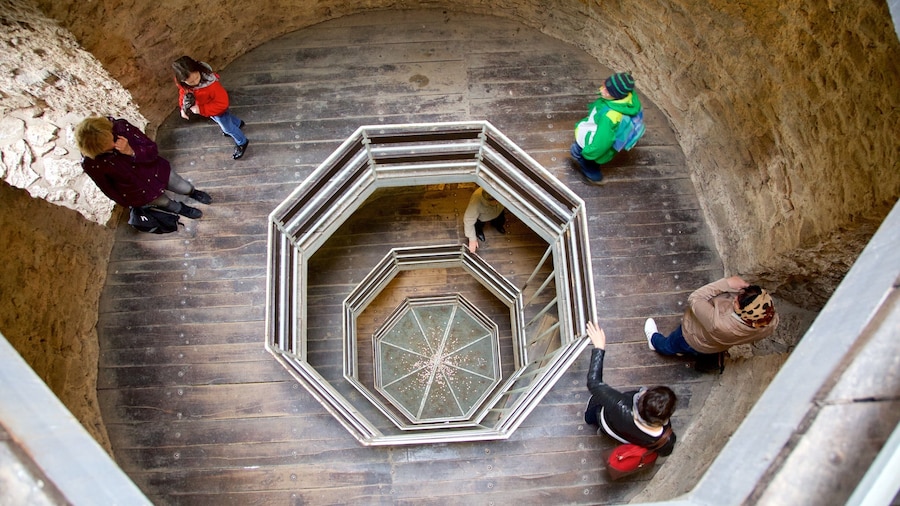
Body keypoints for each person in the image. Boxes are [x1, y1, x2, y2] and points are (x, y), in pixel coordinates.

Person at [75, 116, 211, 219]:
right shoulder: (92, 163)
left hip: (156, 171)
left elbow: (152, 149)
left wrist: (131, 152)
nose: (113, 145)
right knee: (165, 203)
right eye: (106, 147)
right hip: (138, 191)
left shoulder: (121, 128)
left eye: (111, 139)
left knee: (184, 187)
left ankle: (192, 192)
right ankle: (181, 209)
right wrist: (128, 202)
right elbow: (107, 188)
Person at [584, 321, 677, 454]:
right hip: (623, 436)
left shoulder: (619, 404)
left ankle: (591, 420)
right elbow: (665, 451)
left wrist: (599, 347)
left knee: (593, 409)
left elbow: (594, 383)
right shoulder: (665, 438)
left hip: (608, 422)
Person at [645, 276, 779, 357]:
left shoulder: (719, 323)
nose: (735, 298)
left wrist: (727, 283)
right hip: (714, 345)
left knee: (670, 345)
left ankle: (654, 342)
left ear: (742, 311)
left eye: (737, 300)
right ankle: (686, 351)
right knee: (695, 350)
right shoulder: (770, 322)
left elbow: (695, 298)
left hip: (691, 337)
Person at [570, 72, 642, 185]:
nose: (601, 90)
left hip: (591, 145)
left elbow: (603, 142)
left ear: (616, 95)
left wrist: (588, 153)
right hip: (593, 135)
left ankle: (594, 177)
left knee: (585, 159)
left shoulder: (609, 117)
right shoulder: (626, 99)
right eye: (604, 85)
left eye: (607, 91)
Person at [172, 56, 249, 160]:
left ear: (198, 70)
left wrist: (201, 109)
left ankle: (242, 142)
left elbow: (222, 103)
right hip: (210, 111)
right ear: (182, 81)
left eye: (196, 78)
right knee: (225, 120)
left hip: (218, 111)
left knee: (228, 128)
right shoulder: (185, 85)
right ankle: (238, 123)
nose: (195, 82)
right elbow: (183, 93)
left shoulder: (212, 86)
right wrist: (183, 107)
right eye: (191, 82)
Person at [463, 187, 506, 252]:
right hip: (482, 218)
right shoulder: (476, 201)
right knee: (478, 226)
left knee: (500, 220)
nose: (497, 202)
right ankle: (479, 232)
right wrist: (472, 239)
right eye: (495, 201)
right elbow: (468, 220)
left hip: (499, 212)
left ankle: (498, 225)